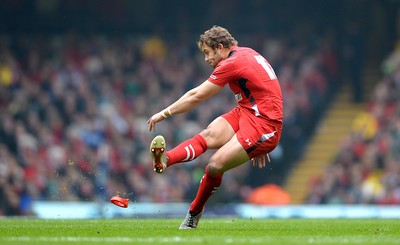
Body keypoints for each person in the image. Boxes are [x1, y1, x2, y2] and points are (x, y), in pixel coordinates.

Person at [147, 25, 283, 229]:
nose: (206, 59)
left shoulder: (232, 62)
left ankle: (194, 213)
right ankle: (166, 159)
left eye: (207, 53)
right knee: (208, 134)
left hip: (264, 124)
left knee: (214, 165)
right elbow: (268, 89)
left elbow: (196, 96)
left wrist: (164, 113)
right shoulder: (248, 53)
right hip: (248, 111)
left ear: (220, 47)